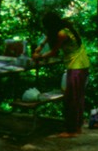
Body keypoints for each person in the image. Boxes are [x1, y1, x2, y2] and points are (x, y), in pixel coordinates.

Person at [33, 10, 90, 138]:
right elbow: (49, 36)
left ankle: (71, 130)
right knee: (78, 97)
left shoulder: (61, 34)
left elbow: (54, 52)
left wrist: (39, 57)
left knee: (72, 98)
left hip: (76, 66)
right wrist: (40, 46)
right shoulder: (64, 27)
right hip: (82, 64)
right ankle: (77, 126)